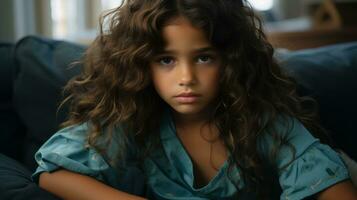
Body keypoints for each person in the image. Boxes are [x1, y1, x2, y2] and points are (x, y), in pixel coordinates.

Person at [32, 0, 357, 199]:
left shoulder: (263, 123)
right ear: (141, 64)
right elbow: (53, 174)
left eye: (203, 58)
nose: (186, 77)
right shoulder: (134, 122)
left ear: (231, 61)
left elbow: (335, 187)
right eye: (166, 60)